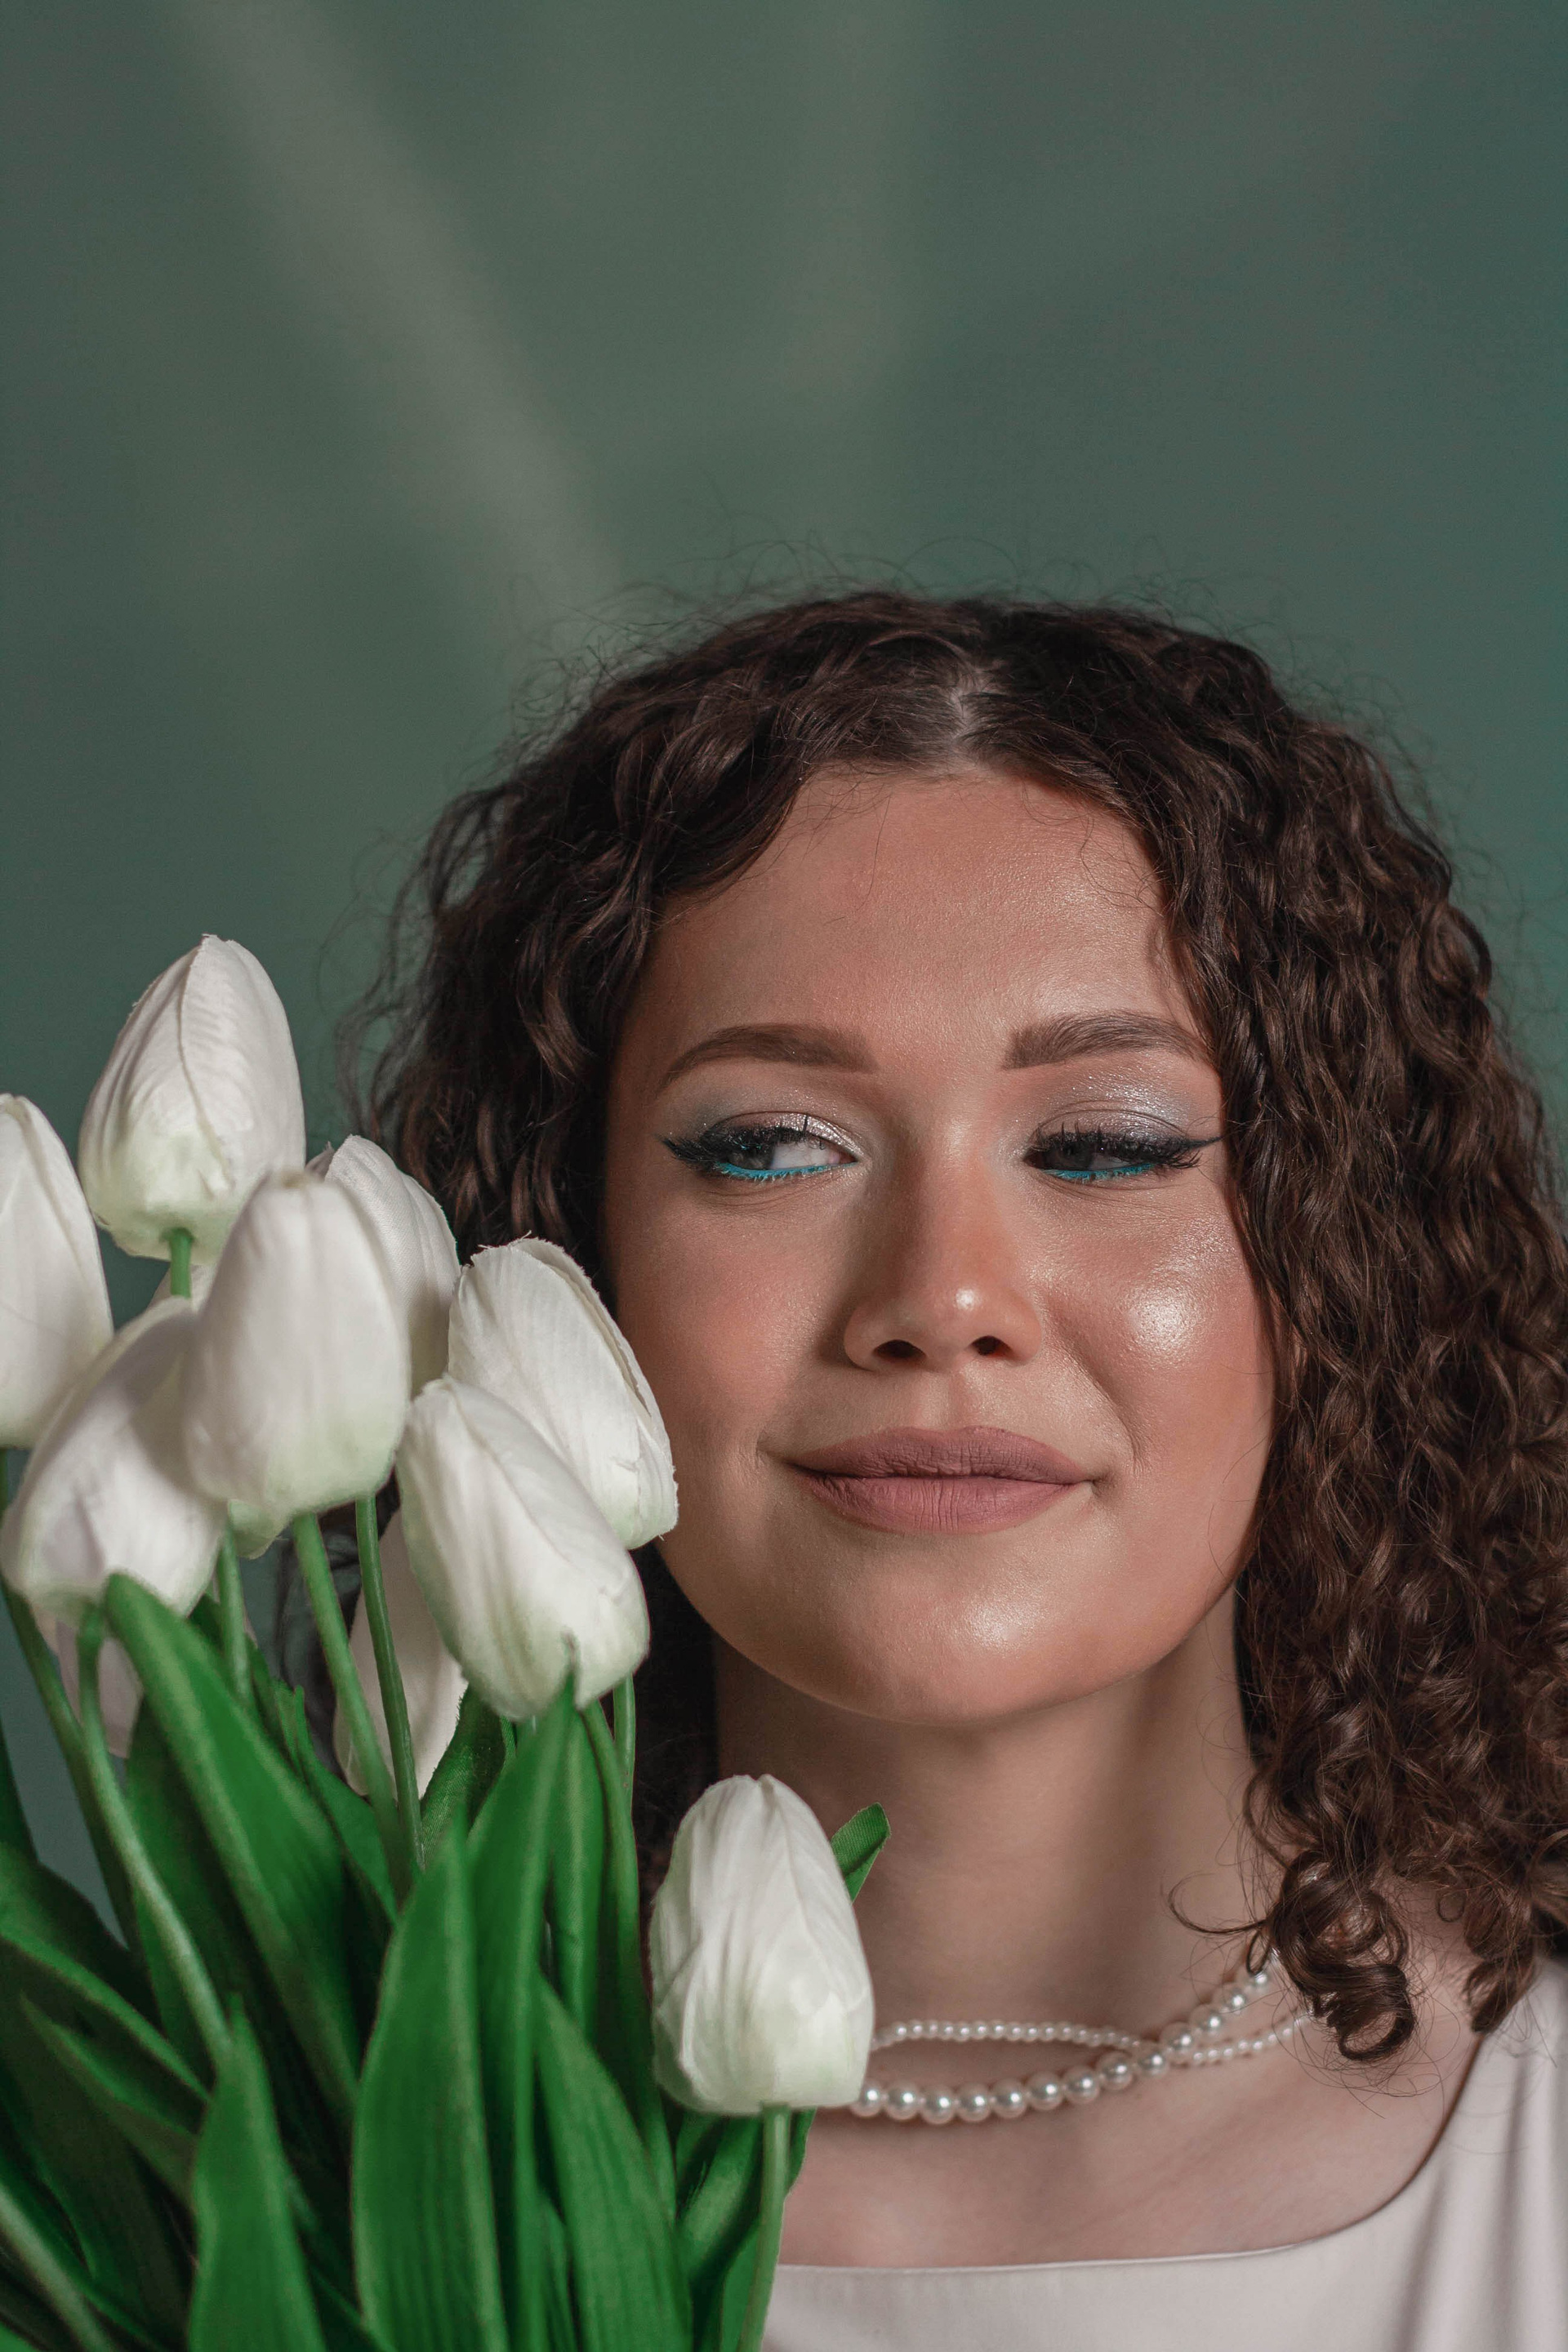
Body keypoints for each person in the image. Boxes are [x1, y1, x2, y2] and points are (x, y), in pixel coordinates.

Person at [356, 590, 1568, 2348]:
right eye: (772, 1145)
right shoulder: (264, 2155)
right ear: (568, 1244)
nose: (942, 1302)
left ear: (1341, 1260)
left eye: (1106, 1145)